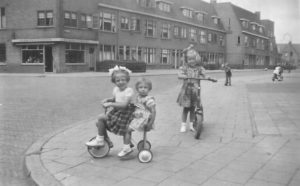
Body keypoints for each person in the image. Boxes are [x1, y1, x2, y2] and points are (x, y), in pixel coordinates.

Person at [85, 65, 135, 157]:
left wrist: (111, 104)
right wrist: (108, 100)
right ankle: (107, 140)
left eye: (123, 80)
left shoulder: (129, 91)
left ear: (127, 80)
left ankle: (100, 140)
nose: (120, 82)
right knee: (99, 123)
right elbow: (115, 99)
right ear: (114, 82)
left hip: (124, 114)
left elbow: (124, 105)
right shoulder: (116, 89)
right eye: (118, 81)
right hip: (117, 112)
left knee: (101, 118)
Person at [177, 44, 209, 133]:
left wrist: (208, 77)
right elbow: (180, 74)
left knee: (192, 109)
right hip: (186, 92)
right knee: (186, 109)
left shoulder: (199, 68)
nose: (191, 61)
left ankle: (191, 125)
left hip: (195, 91)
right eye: (189, 59)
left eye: (193, 59)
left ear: (197, 59)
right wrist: (183, 75)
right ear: (187, 60)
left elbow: (204, 75)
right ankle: (183, 124)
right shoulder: (185, 67)